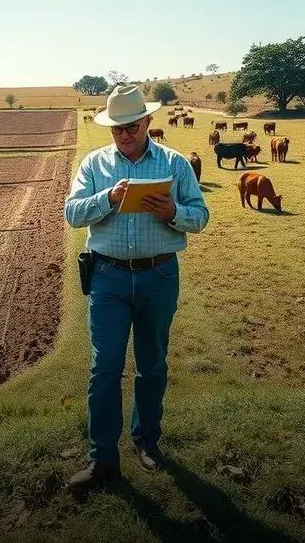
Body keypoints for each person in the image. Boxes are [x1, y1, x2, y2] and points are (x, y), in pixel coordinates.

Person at [63, 84, 209, 490]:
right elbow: (72, 213)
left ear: (148, 122)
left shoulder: (176, 164)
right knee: (104, 367)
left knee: (152, 364)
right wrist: (108, 198)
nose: (125, 135)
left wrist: (173, 212)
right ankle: (102, 459)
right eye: (117, 129)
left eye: (132, 126)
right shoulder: (94, 166)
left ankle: (146, 441)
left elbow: (201, 216)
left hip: (159, 276)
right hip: (107, 277)